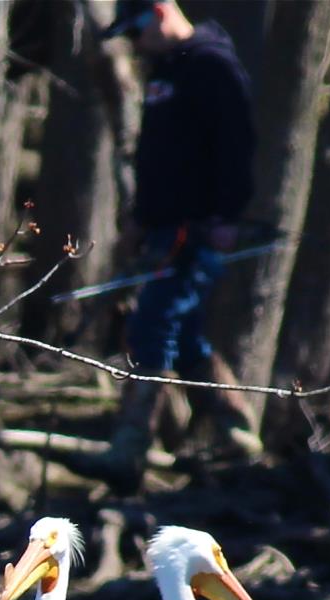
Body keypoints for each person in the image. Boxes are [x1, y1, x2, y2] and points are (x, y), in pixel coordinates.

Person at [83, 0, 260, 491]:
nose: (135, 46)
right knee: (182, 337)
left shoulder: (211, 65)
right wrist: (140, 220)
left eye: (137, 32)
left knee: (153, 322)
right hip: (161, 229)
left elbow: (236, 147)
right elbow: (157, 159)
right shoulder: (165, 72)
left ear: (160, 13)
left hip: (198, 229)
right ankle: (238, 434)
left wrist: (226, 217)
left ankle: (129, 447)